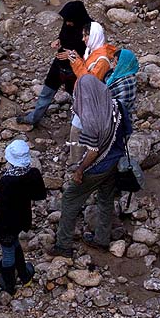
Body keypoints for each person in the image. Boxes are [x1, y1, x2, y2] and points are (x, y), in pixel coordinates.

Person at [50, 75, 132, 258]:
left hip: (97, 167)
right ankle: (101, 239)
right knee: (105, 198)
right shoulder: (116, 105)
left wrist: (80, 170)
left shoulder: (91, 118)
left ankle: (63, 245)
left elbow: (92, 151)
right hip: (115, 161)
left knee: (70, 199)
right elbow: (128, 131)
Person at [16, 1, 92, 126]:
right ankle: (34, 118)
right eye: (66, 20)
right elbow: (63, 35)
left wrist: (71, 55)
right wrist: (58, 40)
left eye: (70, 21)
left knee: (77, 98)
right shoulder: (69, 22)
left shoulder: (89, 29)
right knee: (46, 92)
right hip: (59, 64)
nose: (67, 23)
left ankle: (78, 126)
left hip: (76, 70)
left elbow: (89, 52)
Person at [0, 140, 46, 294]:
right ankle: (24, 275)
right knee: (15, 243)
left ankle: (9, 285)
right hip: (23, 218)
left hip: (7, 222)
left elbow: (1, 206)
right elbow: (40, 195)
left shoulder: (7, 180)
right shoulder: (33, 173)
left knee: (7, 252)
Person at [66, 21, 117, 165]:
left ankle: (78, 161)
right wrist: (79, 59)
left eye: (85, 36)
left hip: (90, 101)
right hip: (85, 97)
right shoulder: (94, 52)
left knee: (77, 129)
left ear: (93, 35)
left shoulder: (102, 60)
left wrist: (76, 63)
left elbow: (90, 82)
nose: (83, 39)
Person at [105, 49, 139, 115]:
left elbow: (119, 107)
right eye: (113, 62)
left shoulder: (127, 83)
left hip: (119, 118)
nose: (113, 65)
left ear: (124, 65)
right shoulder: (116, 75)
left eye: (116, 63)